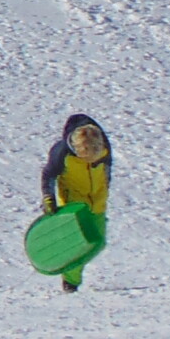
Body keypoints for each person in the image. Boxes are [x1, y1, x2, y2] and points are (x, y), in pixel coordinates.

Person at [39, 114, 113, 293]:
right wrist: (49, 198)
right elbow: (48, 175)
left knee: (98, 242)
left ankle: (72, 278)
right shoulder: (61, 152)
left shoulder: (104, 147)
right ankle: (71, 284)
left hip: (97, 201)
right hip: (74, 204)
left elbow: (107, 171)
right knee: (79, 246)